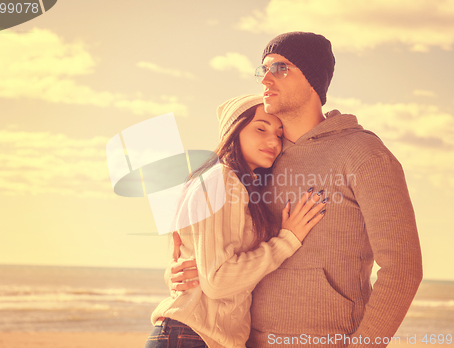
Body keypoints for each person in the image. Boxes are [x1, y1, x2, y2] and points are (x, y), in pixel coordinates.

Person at [169, 32, 423, 348]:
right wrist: (190, 275)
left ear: (313, 79)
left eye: (281, 68)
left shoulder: (363, 153)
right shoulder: (260, 161)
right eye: (263, 70)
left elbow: (402, 268)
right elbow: (228, 251)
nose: (265, 80)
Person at [144, 95, 327, 348]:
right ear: (234, 131)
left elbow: (199, 265)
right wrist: (287, 240)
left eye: (279, 133)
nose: (273, 140)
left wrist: (173, 274)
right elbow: (217, 280)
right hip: (192, 337)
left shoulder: (234, 185)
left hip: (197, 336)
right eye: (261, 128)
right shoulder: (223, 180)